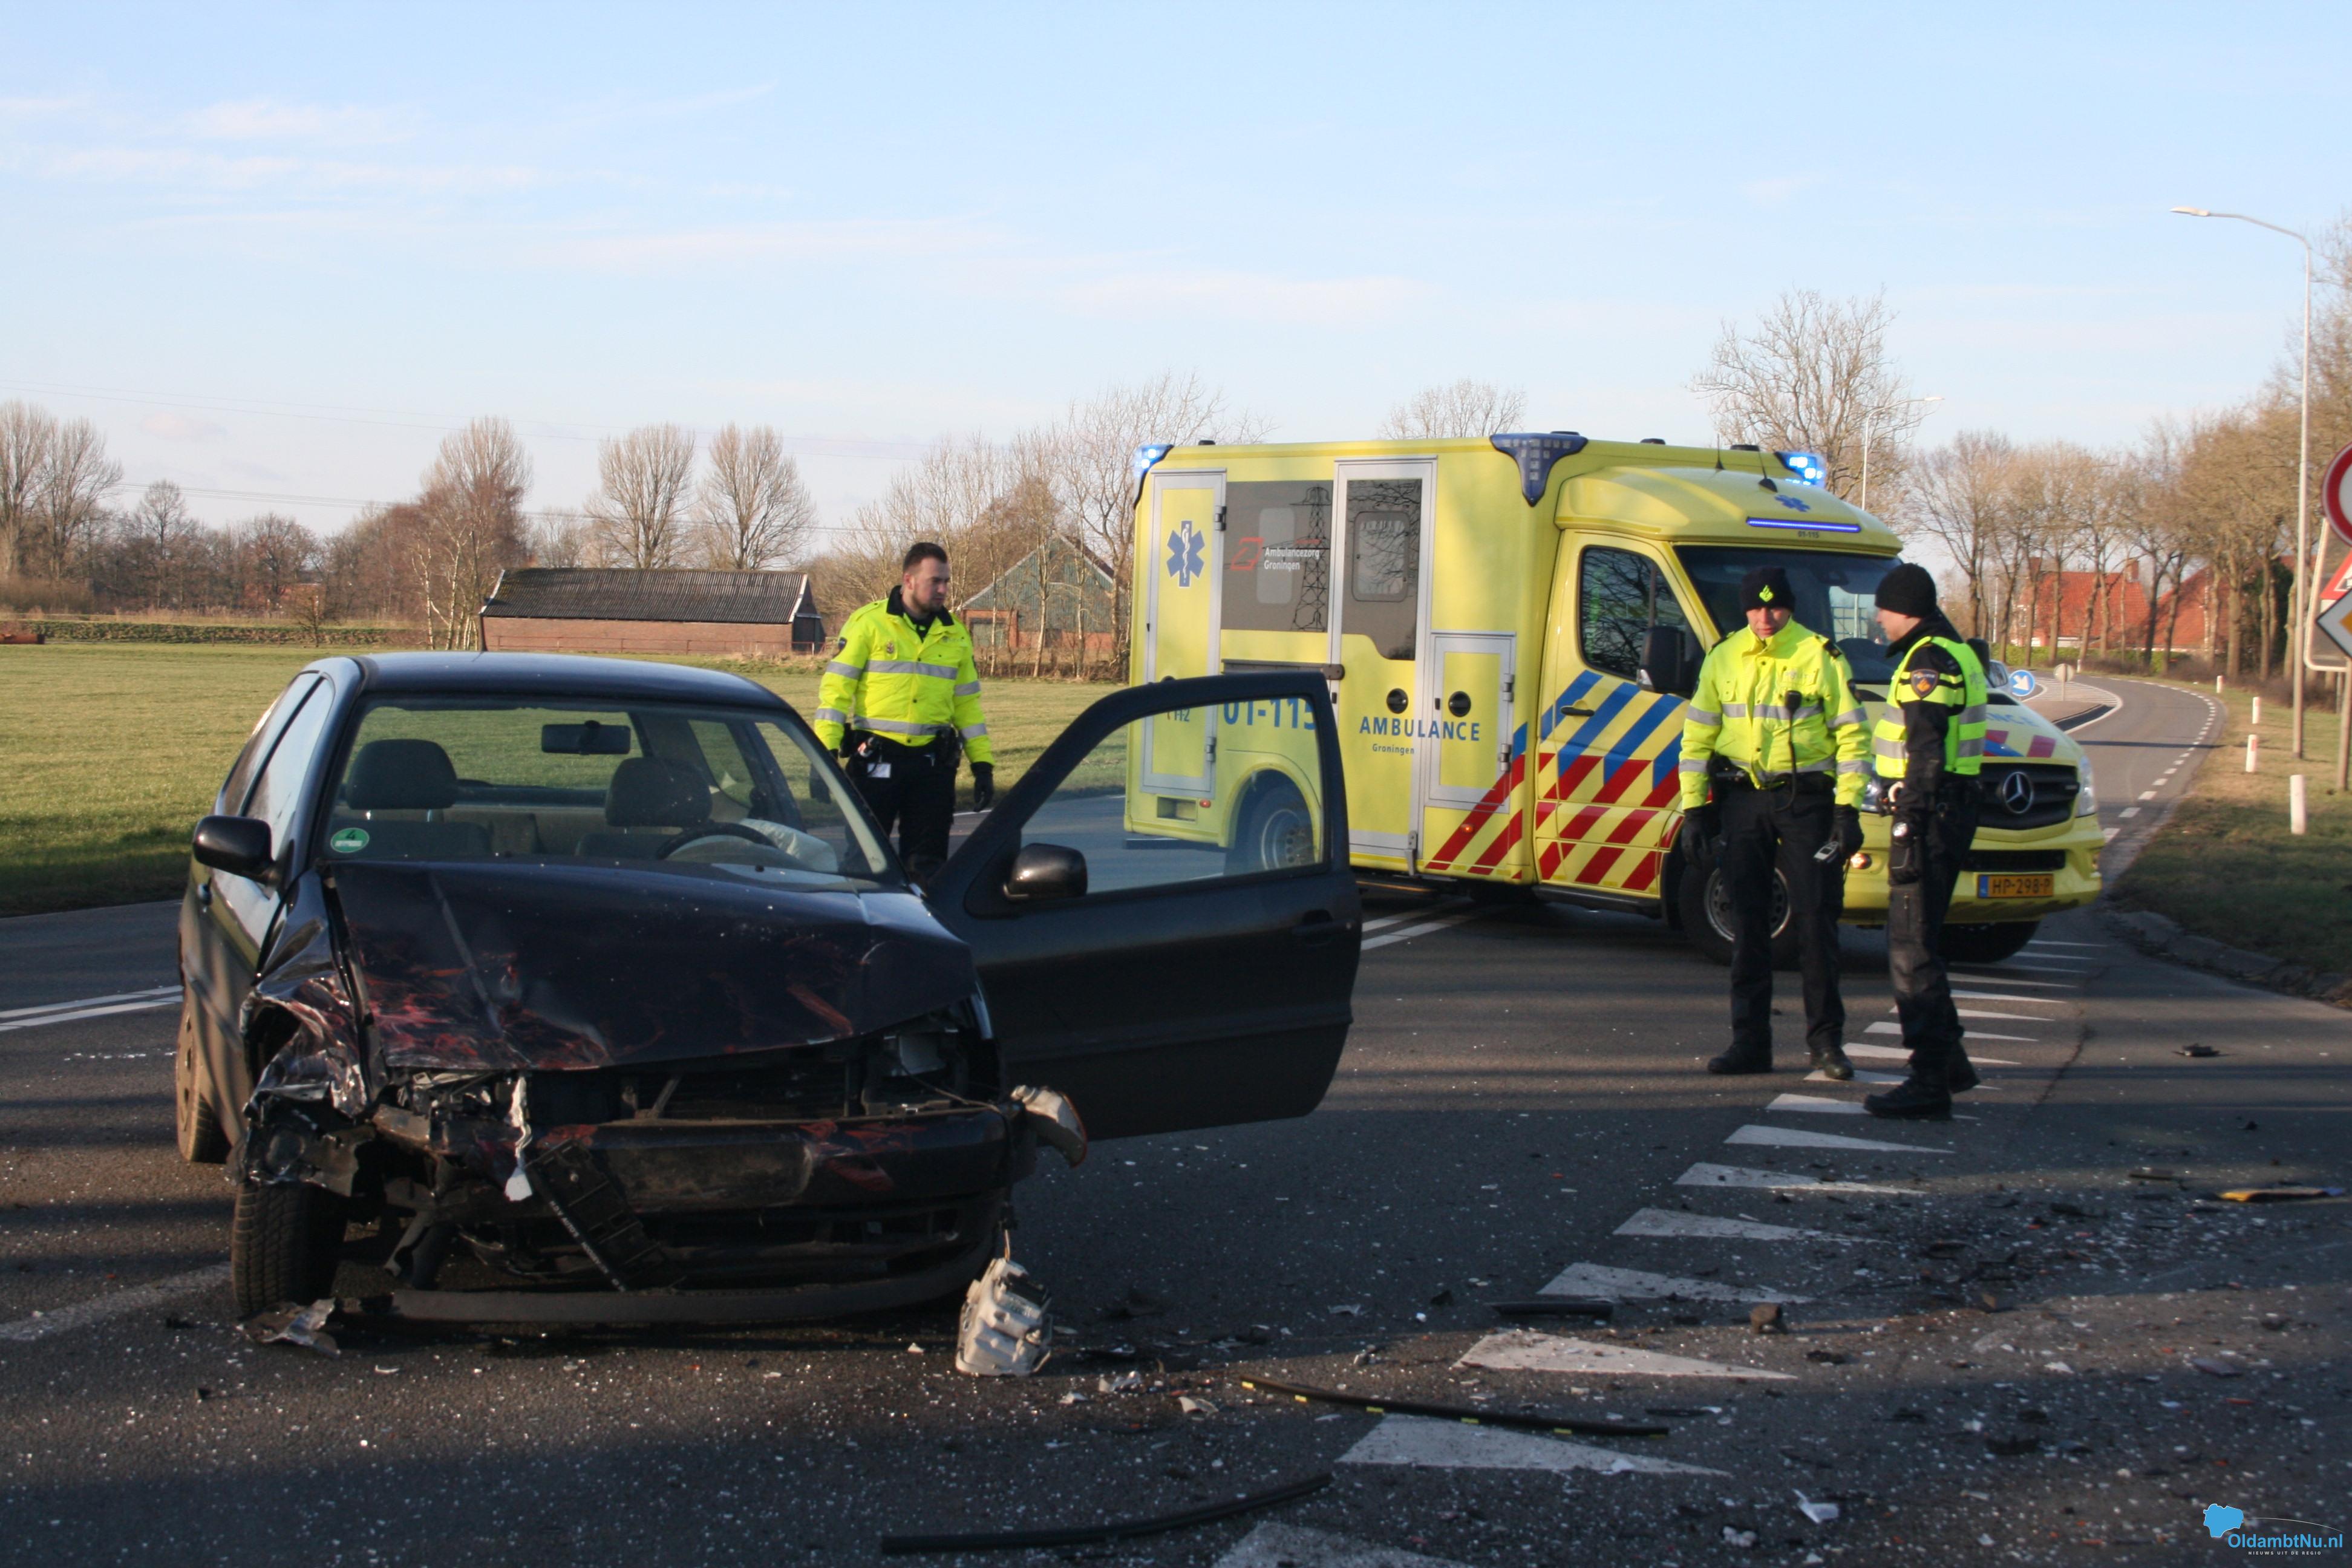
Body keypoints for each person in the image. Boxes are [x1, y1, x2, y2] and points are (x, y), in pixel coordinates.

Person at [1677, 564, 1872, 1080]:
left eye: (1776, 607)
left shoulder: (1819, 655)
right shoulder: (1723, 656)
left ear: (1790, 607)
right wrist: (1694, 810)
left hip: (1806, 803)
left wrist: (1848, 810)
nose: (1765, 618)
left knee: (1816, 921)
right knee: (1747, 924)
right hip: (1743, 801)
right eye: (1756, 608)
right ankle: (1749, 1044)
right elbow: (1697, 737)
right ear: (1744, 609)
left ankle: (1826, 1045)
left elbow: (1854, 738)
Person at [1861, 563, 1987, 1120]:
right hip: (1951, 809)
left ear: (1904, 609)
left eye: (1883, 609)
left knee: (1911, 950)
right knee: (1923, 940)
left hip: (1931, 815)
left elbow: (1926, 753)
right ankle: (1951, 1062)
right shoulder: (1956, 651)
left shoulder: (1927, 663)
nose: (1879, 619)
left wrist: (1909, 819)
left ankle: (1929, 1078)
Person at [814, 541, 995, 880]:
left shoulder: (955, 633)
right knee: (865, 867)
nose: (943, 590)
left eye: (946, 581)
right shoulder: (868, 623)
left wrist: (982, 764)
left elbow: (968, 705)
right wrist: (825, 753)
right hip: (876, 762)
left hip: (932, 768)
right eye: (935, 581)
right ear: (908, 580)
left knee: (927, 870)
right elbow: (836, 693)